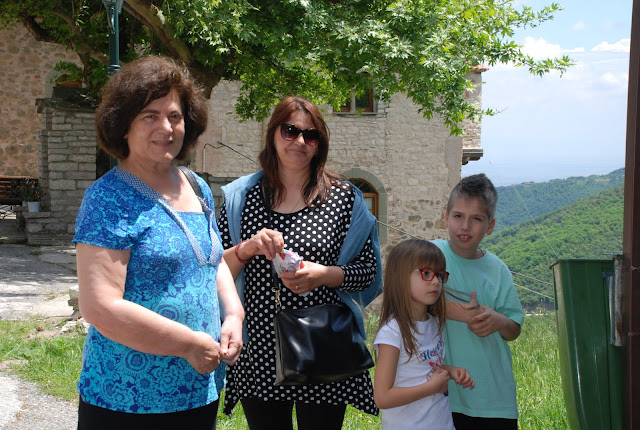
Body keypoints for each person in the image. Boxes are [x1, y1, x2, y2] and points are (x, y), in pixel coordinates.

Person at [73, 56, 244, 429]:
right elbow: (101, 307)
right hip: (127, 398)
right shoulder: (108, 198)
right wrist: (188, 344)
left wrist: (233, 313)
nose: (166, 127)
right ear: (123, 125)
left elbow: (211, 261)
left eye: (174, 116)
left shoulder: (196, 186)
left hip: (196, 390)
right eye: (149, 116)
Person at [217, 96, 382, 429]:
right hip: (257, 348)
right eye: (290, 130)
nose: (300, 141)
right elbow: (215, 268)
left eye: (311, 135)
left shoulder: (343, 198)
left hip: (322, 345)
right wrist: (248, 248)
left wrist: (324, 275)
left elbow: (369, 272)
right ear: (273, 134)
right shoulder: (242, 197)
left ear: (320, 144)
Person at [433, 173, 524, 430]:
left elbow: (514, 329)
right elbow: (407, 299)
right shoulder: (430, 255)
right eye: (458, 216)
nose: (465, 226)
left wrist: (498, 321)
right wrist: (462, 313)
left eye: (476, 219)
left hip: (494, 398)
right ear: (446, 218)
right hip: (443, 395)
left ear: (490, 226)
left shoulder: (498, 270)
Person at [373, 239, 474, 429]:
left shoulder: (433, 323)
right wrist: (431, 387)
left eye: (439, 275)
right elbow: (382, 397)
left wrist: (450, 371)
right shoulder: (392, 333)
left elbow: (421, 368)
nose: (436, 281)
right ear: (400, 277)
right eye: (426, 273)